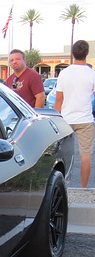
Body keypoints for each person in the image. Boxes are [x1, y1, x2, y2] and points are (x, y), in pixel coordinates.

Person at [54, 40, 95, 188]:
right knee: (85, 157)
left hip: (66, 120)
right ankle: (83, 189)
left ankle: (63, 186)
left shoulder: (64, 74)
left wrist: (54, 118)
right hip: (85, 120)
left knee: (62, 156)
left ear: (73, 53)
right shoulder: (92, 74)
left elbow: (59, 100)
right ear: (87, 54)